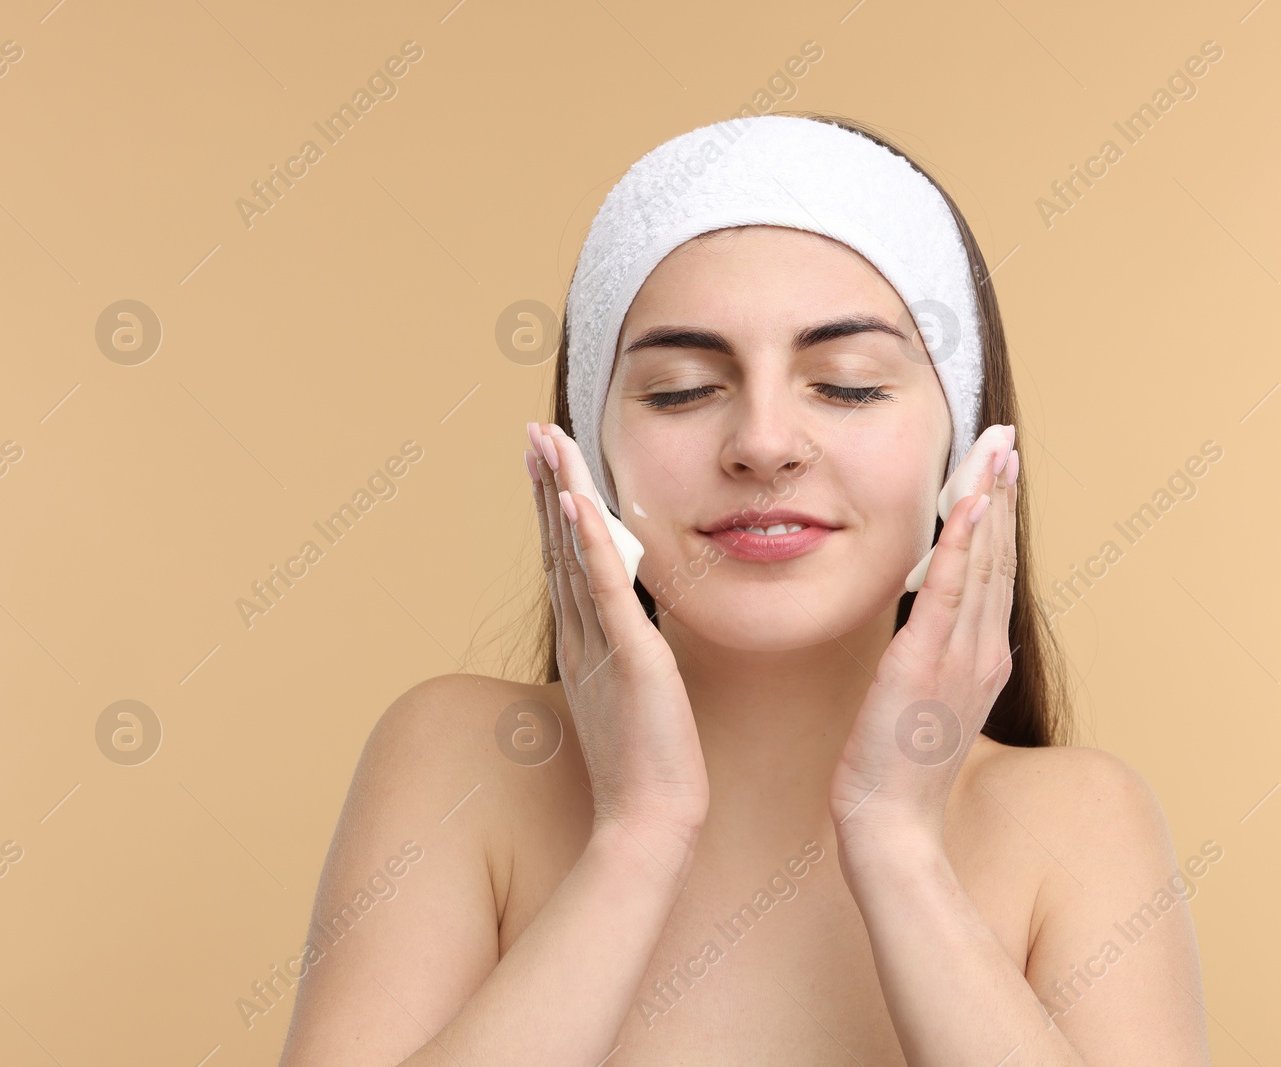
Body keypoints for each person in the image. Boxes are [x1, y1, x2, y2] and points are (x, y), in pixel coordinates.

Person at [278, 112, 1211, 1066]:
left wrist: (898, 849)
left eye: (847, 384)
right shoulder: (463, 767)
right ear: (588, 454)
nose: (763, 442)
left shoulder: (1078, 823)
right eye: (682, 388)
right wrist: (636, 840)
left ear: (970, 449)